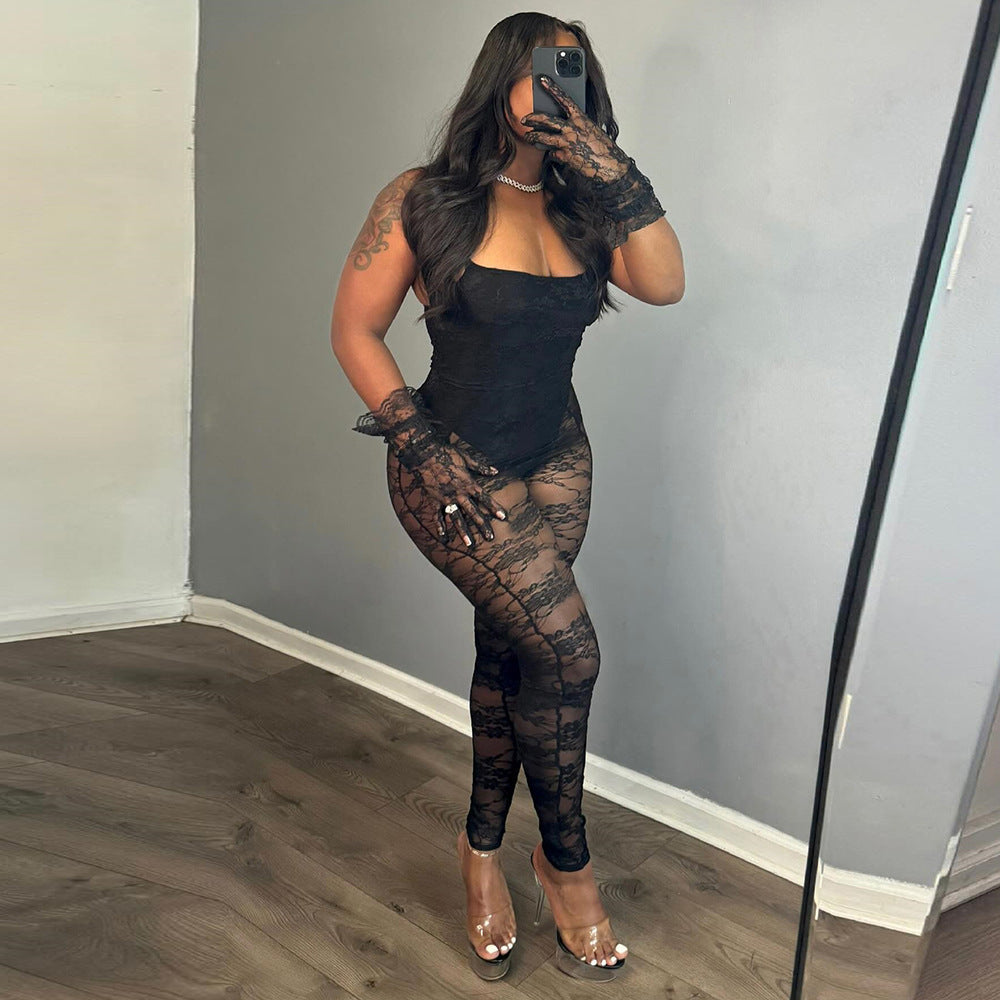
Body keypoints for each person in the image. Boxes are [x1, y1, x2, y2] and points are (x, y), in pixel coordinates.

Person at [330, 13, 683, 983]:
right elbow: (354, 330)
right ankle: (566, 865)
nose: (559, 86)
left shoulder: (584, 210)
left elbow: (665, 283)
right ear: (501, 76)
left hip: (557, 454)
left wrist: (612, 170)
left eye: (576, 72)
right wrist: (416, 442)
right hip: (453, 463)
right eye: (542, 69)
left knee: (514, 652)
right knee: (568, 654)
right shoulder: (424, 198)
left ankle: (481, 848)